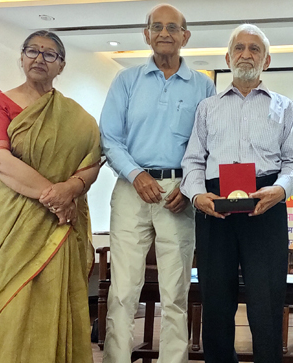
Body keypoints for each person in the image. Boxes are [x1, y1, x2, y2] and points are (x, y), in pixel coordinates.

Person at [99, 4, 216, 362]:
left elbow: (211, 144)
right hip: (131, 188)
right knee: (122, 291)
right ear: (146, 34)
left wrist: (190, 184)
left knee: (176, 293)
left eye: (173, 27)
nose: (165, 33)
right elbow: (109, 138)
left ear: (186, 35)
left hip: (179, 196)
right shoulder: (126, 81)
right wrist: (136, 175)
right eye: (157, 27)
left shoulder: (203, 85)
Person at [180, 24, 293, 363]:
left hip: (265, 206)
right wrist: (196, 196)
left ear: (267, 60)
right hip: (215, 207)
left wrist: (280, 190)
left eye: (254, 49)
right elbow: (192, 160)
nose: (246, 54)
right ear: (227, 56)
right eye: (239, 48)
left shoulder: (284, 107)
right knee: (217, 302)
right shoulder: (207, 107)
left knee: (266, 301)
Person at [0, 30, 101, 363]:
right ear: (21, 58)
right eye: (32, 51)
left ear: (61, 66)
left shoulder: (79, 118)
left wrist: (70, 189)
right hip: (16, 223)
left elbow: (91, 164)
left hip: (61, 227)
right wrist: (56, 197)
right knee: (16, 304)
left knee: (60, 300)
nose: (39, 59)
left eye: (50, 54)